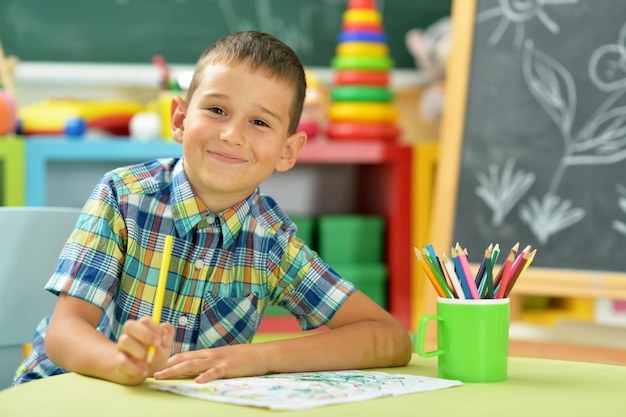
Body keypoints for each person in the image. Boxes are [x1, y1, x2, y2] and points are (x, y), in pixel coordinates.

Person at [13, 31, 412, 387]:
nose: (232, 135)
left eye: (259, 121)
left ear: (287, 151)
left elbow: (389, 338)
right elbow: (65, 332)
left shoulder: (271, 241)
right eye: (217, 110)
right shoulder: (123, 196)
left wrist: (260, 357)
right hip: (70, 389)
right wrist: (121, 363)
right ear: (180, 119)